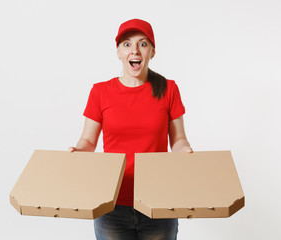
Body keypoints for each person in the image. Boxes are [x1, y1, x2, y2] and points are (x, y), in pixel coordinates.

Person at [69, 18, 193, 240]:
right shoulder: (100, 92)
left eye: (143, 44)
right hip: (111, 203)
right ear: (118, 52)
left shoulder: (168, 89)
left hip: (159, 199)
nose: (134, 50)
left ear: (152, 52)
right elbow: (88, 141)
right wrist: (78, 152)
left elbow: (178, 139)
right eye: (127, 44)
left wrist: (184, 151)